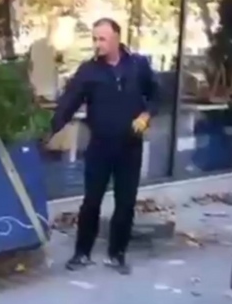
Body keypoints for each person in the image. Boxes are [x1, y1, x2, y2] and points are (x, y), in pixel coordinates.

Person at [49, 18, 160, 275]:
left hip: (130, 146)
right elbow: (69, 103)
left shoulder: (138, 66)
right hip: (100, 145)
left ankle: (116, 254)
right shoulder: (88, 71)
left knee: (126, 203)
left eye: (103, 39)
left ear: (117, 38)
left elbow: (156, 96)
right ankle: (82, 252)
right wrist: (49, 129)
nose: (98, 44)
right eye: (95, 39)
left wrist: (146, 116)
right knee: (91, 201)